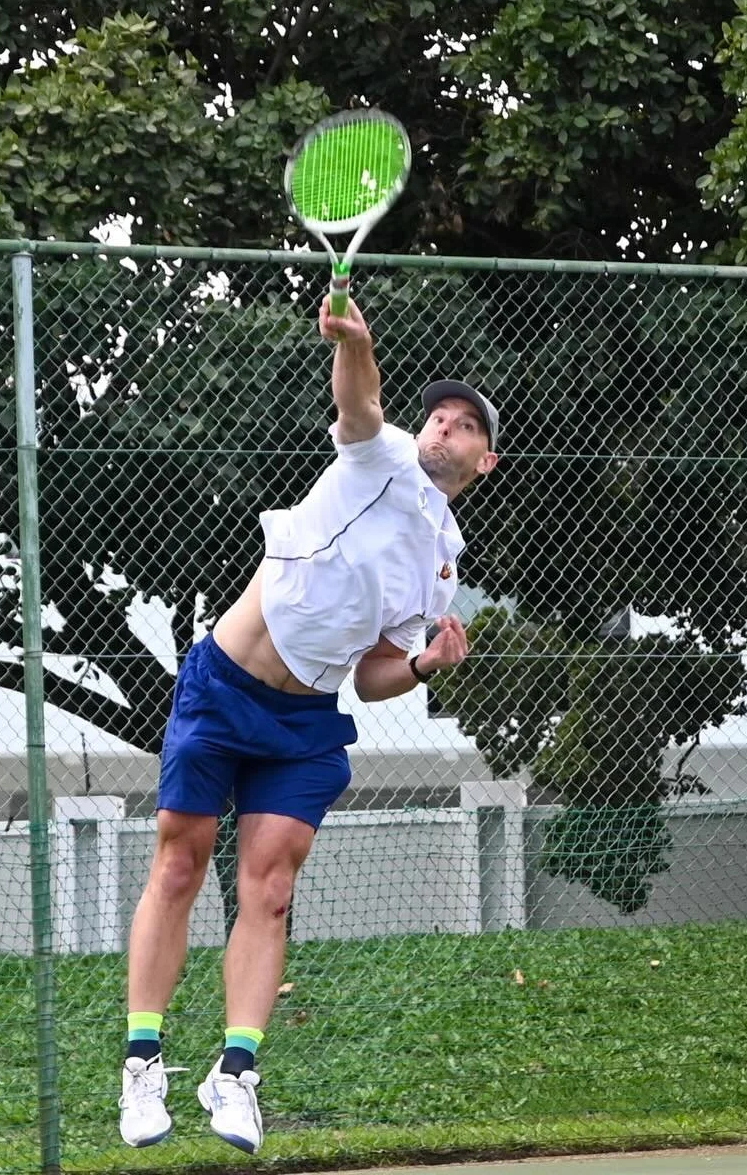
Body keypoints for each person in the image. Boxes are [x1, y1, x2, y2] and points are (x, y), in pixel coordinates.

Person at [117, 293, 500, 1154]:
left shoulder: (440, 571)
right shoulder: (385, 457)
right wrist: (356, 342)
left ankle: (236, 1073)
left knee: (272, 889)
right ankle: (143, 1062)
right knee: (178, 860)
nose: (444, 426)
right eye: (438, 414)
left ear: (486, 460)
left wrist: (426, 666)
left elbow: (373, 676)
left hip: (304, 720)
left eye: (465, 424)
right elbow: (358, 403)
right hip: (224, 687)